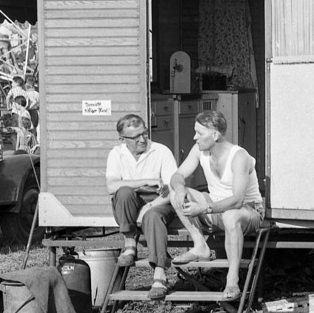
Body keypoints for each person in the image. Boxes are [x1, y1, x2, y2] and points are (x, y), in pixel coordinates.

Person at [170, 110, 264, 301]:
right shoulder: (200, 150)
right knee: (175, 192)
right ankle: (200, 245)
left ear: (215, 134)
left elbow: (238, 200)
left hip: (247, 210)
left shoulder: (239, 157)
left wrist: (203, 209)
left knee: (231, 215)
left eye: (199, 133)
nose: (194, 137)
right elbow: (177, 176)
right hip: (216, 207)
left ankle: (232, 279)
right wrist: (180, 189)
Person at [105, 114, 178, 300]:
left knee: (152, 216)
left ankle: (160, 275)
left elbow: (174, 190)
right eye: (135, 137)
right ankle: (130, 244)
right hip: (131, 205)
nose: (142, 139)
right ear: (123, 139)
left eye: (144, 133)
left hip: (160, 202)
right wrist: (146, 180)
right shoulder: (117, 153)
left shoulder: (161, 151)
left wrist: (150, 205)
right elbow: (111, 186)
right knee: (123, 192)